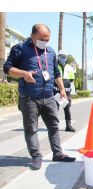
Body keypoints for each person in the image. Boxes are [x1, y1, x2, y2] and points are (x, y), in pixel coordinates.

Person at [3, 24, 76, 170]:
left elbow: (56, 73)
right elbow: (7, 68)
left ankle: (58, 153)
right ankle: (36, 156)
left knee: (54, 126)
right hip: (29, 97)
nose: (45, 42)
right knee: (31, 128)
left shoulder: (50, 51)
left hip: (48, 97)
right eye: (42, 39)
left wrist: (62, 89)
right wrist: (24, 74)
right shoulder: (20, 49)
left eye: (48, 39)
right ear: (33, 36)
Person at [53, 50, 76, 132]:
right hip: (56, 92)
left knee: (67, 108)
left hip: (66, 92)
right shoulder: (54, 66)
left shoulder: (69, 67)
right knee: (55, 109)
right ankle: (54, 126)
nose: (63, 58)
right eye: (61, 56)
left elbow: (71, 80)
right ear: (58, 57)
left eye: (64, 57)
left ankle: (68, 126)